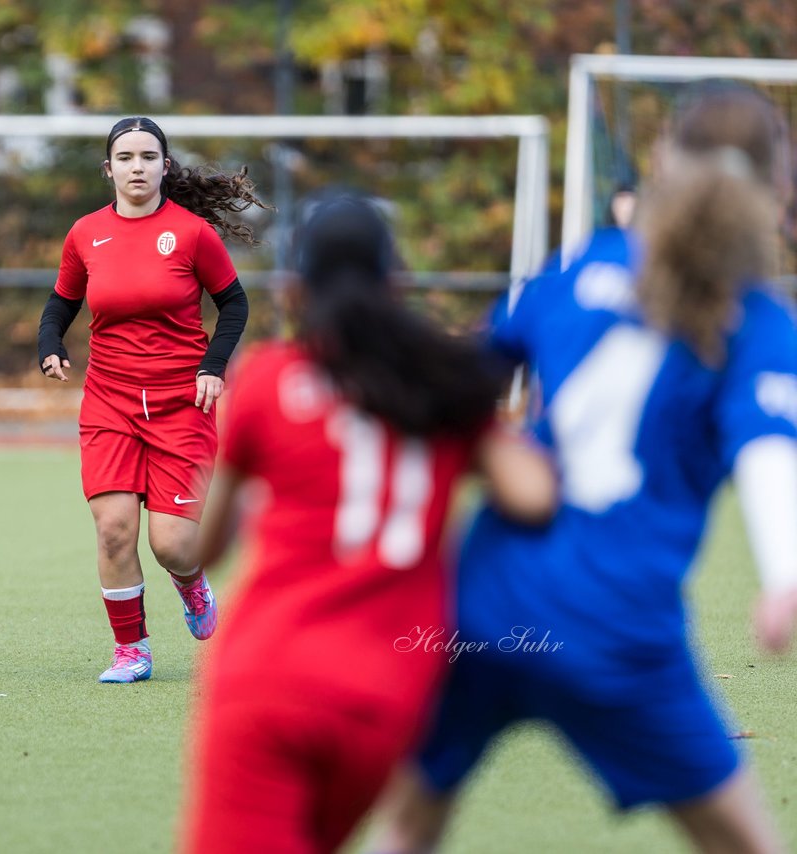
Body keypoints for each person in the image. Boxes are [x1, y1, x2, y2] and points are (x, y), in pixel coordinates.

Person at [376, 85, 797, 854]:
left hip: (483, 610)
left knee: (407, 828)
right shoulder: (760, 324)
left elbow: (458, 381)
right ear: (779, 187)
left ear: (664, 161)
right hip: (616, 630)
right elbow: (769, 451)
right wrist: (784, 577)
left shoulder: (586, 265)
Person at [179, 190, 558, 854]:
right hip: (388, 693)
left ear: (296, 291)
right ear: (397, 283)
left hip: (267, 676)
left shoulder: (268, 381)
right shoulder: (444, 389)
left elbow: (203, 546)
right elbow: (534, 497)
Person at [37, 116, 268, 684]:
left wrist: (214, 367)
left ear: (164, 166)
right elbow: (61, 304)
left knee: (173, 544)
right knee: (113, 527)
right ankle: (131, 650)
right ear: (109, 168)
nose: (136, 166)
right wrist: (50, 346)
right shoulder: (85, 233)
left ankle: (191, 584)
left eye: (147, 156)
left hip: (181, 403)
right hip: (109, 401)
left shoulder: (191, 233)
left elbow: (234, 306)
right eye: (125, 157)